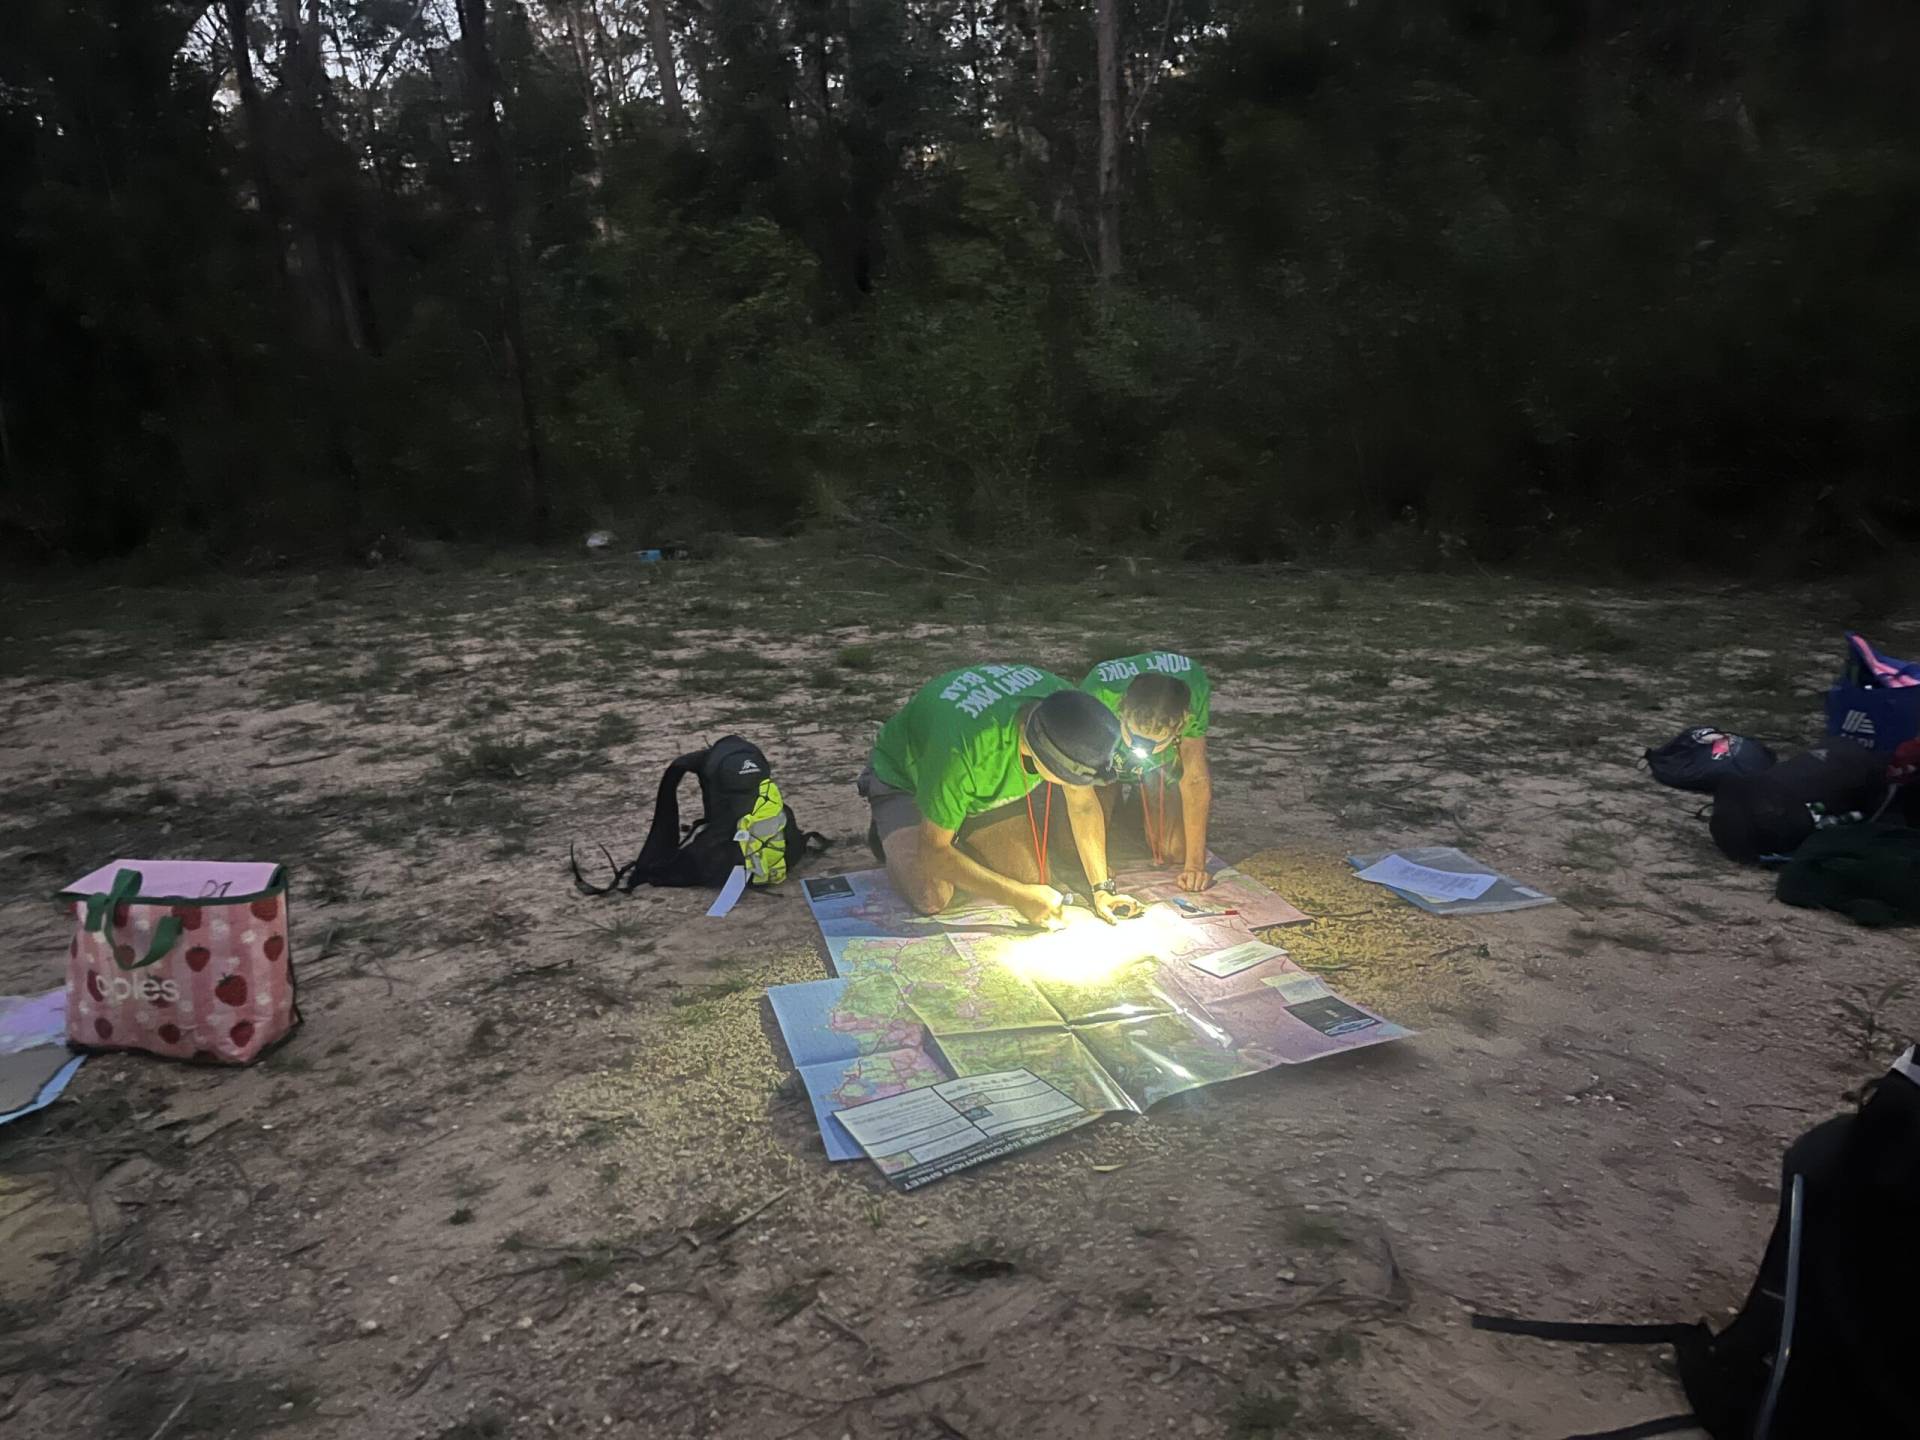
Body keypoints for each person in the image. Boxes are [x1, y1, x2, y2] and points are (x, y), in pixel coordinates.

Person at [859, 664, 1144, 926]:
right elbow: (933, 852)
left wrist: (1102, 890)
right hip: (907, 782)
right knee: (930, 895)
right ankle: (892, 829)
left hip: (979, 789)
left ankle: (957, 829)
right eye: (1073, 778)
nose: (1080, 786)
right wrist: (1017, 897)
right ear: (1042, 758)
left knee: (1032, 879)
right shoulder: (965, 750)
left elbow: (1083, 806)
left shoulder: (1067, 708)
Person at [1080, 651, 1214, 891]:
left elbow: (1195, 778)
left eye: (1153, 743)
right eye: (1134, 737)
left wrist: (1195, 866)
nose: (1140, 748)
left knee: (1175, 851)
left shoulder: (1195, 688)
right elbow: (1077, 780)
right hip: (1103, 759)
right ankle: (1116, 809)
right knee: (1072, 850)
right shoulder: (1099, 691)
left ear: (1181, 724)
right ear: (1121, 709)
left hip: (1158, 769)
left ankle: (1135, 809)